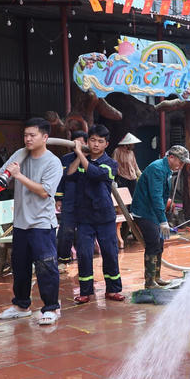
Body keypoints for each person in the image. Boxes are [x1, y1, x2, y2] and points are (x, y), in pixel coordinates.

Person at [0, 117, 64, 326]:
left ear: (45, 137)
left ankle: (51, 308)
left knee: (45, 267)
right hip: (21, 223)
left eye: (32, 135)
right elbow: (2, 174)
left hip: (42, 224)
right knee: (20, 267)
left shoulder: (53, 162)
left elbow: (44, 191)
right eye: (25, 135)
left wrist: (18, 176)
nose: (28, 139)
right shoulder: (19, 154)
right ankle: (21, 306)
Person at [67, 125, 123, 303]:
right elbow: (69, 174)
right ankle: (86, 291)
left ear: (107, 144)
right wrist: (78, 154)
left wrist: (80, 153)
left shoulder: (111, 163)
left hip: (105, 216)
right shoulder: (81, 160)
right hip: (84, 217)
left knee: (110, 253)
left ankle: (113, 290)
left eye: (100, 141)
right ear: (87, 141)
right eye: (92, 140)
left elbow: (96, 174)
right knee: (84, 254)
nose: (96, 144)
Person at [131, 144, 190, 290]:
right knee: (153, 243)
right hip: (144, 211)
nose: (182, 165)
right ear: (171, 157)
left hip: (154, 212)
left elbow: (162, 196)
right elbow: (156, 196)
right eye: (180, 161)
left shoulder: (167, 169)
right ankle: (149, 281)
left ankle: (156, 277)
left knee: (160, 242)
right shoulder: (157, 169)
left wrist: (162, 216)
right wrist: (163, 221)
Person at [56, 130, 88, 269]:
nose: (79, 146)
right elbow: (61, 179)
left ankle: (85, 262)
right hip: (69, 200)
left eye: (82, 143)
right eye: (76, 143)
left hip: (86, 202)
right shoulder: (65, 159)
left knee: (84, 232)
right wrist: (59, 198)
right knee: (66, 231)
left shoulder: (93, 157)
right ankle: (63, 260)